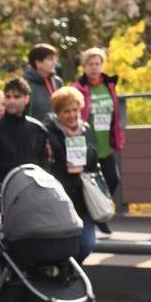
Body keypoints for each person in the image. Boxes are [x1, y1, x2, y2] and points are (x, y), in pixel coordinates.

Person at [0, 77, 51, 212]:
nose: (11, 101)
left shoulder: (38, 130)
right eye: (8, 97)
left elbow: (44, 165)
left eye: (17, 97)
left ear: (26, 99)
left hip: (35, 196)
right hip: (1, 199)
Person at [45, 86, 99, 262]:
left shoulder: (86, 129)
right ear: (58, 113)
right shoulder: (50, 133)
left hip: (84, 198)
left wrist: (84, 156)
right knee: (64, 245)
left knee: (87, 243)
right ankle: (66, 274)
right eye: (66, 111)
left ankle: (73, 272)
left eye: (75, 110)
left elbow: (94, 157)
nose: (72, 115)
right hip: (61, 198)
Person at [73, 46, 125, 212]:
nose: (94, 67)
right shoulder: (78, 88)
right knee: (88, 181)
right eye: (90, 64)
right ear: (84, 67)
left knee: (113, 179)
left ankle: (100, 209)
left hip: (105, 142)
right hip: (87, 142)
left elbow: (115, 112)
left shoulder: (109, 85)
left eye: (97, 63)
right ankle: (94, 214)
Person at [23, 42, 64, 123]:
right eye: (50, 59)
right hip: (35, 133)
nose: (55, 63)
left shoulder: (57, 82)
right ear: (38, 63)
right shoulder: (25, 83)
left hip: (56, 133)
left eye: (55, 59)